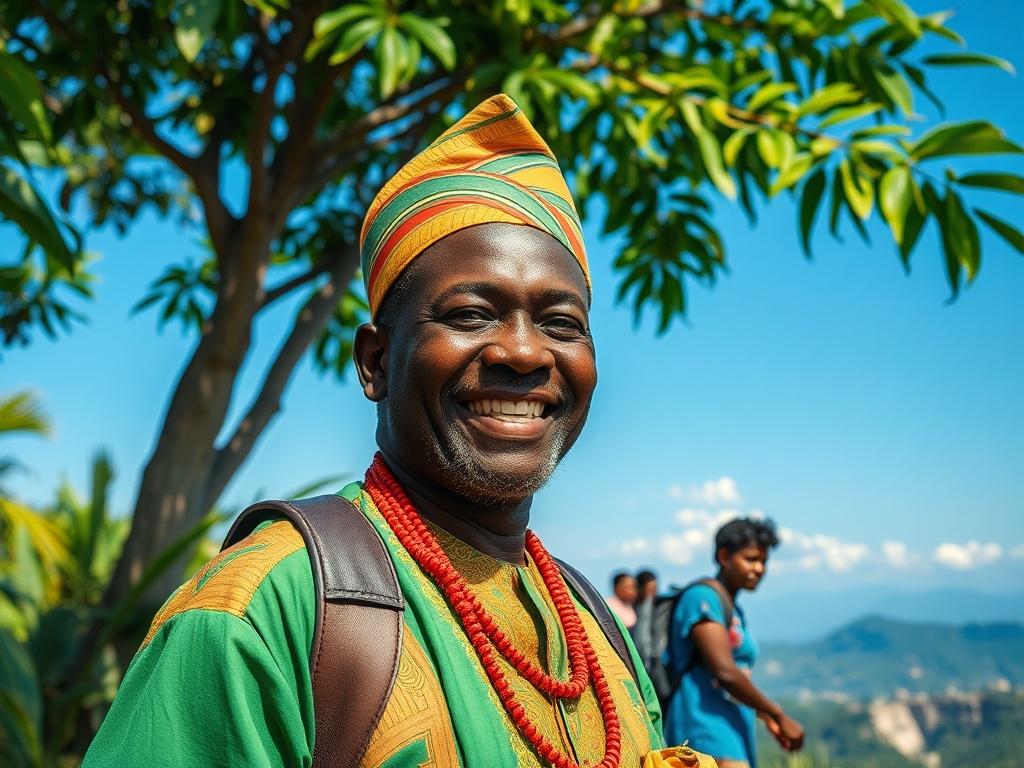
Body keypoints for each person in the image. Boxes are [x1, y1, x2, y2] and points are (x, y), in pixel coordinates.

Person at [82, 94, 714, 768]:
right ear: (376, 362)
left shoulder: (592, 628)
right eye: (472, 314)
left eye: (561, 322)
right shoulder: (268, 609)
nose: (525, 353)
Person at [663, 518, 804, 768]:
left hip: (731, 723)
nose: (759, 568)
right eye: (751, 559)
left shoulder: (731, 607)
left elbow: (737, 673)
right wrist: (777, 714)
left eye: (763, 561)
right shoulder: (701, 598)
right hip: (702, 722)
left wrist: (762, 714)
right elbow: (725, 671)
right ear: (724, 556)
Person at [632, 570, 659, 670]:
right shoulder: (632, 606)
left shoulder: (656, 607)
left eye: (655, 589)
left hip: (652, 657)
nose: (653, 594)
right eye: (650, 590)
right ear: (640, 588)